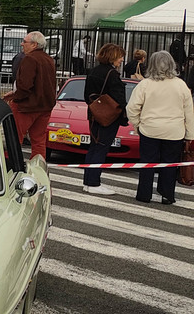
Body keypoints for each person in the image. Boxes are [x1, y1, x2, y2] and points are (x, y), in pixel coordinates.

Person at [125, 50, 194, 205]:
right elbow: (189, 112)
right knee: (170, 164)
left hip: (150, 129)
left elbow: (132, 108)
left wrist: (137, 125)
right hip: (174, 131)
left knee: (147, 163)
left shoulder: (145, 84)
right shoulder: (180, 85)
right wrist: (190, 135)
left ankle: (144, 194)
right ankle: (167, 194)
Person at [82, 42, 127, 195]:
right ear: (113, 57)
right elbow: (120, 99)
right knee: (101, 148)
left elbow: (87, 95)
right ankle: (94, 183)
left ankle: (88, 181)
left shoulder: (93, 71)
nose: (121, 60)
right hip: (108, 117)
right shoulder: (112, 74)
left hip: (94, 114)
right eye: (120, 57)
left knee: (93, 147)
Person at [3, 31, 56, 160]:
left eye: (24, 42)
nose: (22, 44)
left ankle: (10, 164)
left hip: (26, 106)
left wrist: (16, 97)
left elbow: (25, 85)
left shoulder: (30, 59)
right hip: (44, 106)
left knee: (14, 138)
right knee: (39, 140)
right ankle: (38, 166)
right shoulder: (48, 59)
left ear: (34, 44)